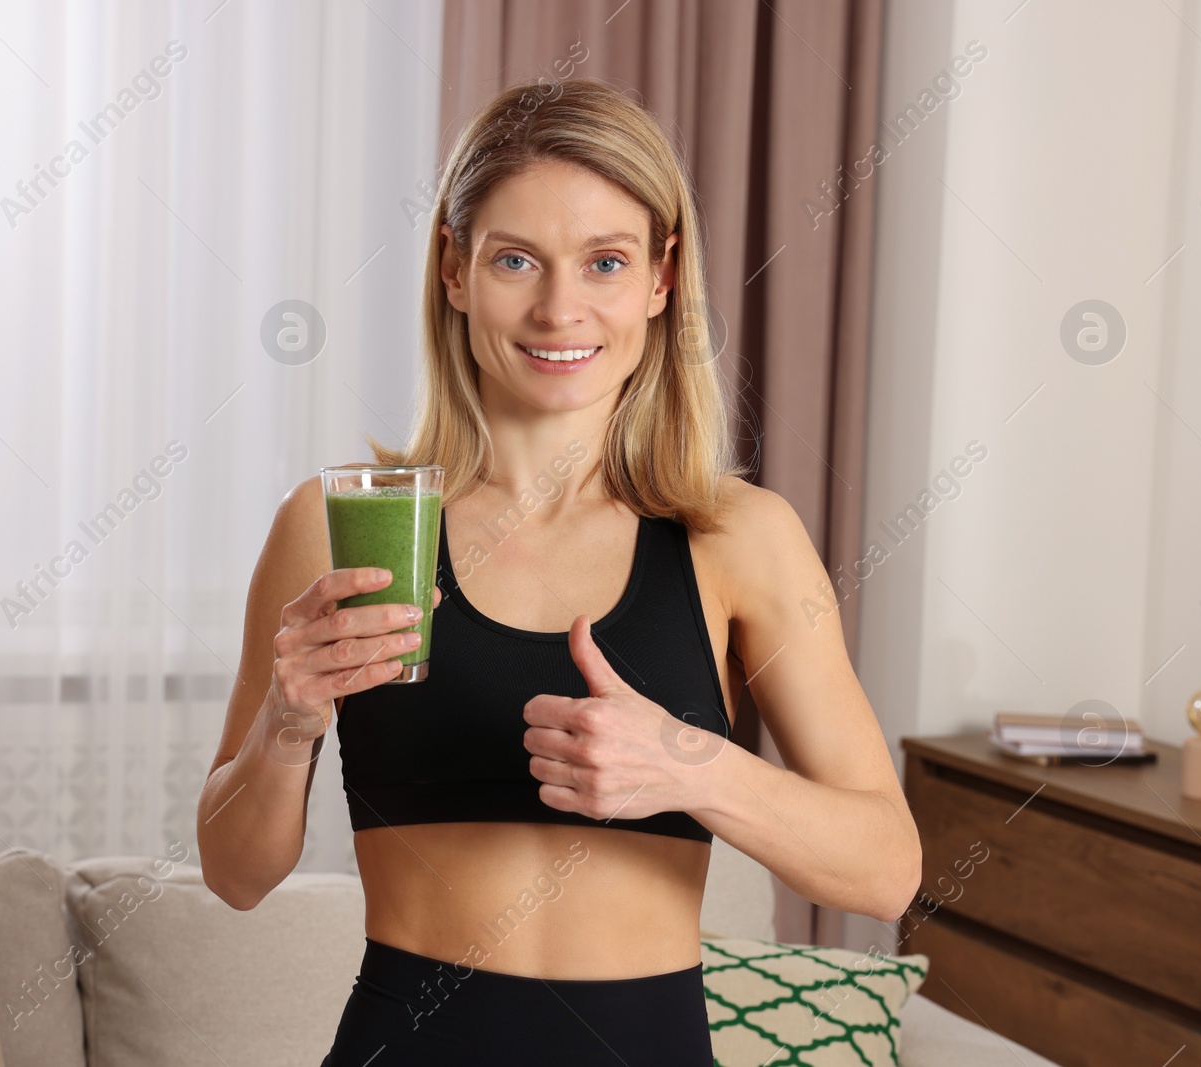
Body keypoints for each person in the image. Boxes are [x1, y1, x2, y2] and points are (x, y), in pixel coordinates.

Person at [198, 78, 921, 1066]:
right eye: (514, 260)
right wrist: (287, 727)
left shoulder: (739, 537)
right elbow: (234, 873)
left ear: (661, 279)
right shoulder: (336, 526)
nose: (558, 308)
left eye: (605, 261)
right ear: (452, 269)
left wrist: (684, 761)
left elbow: (886, 870)